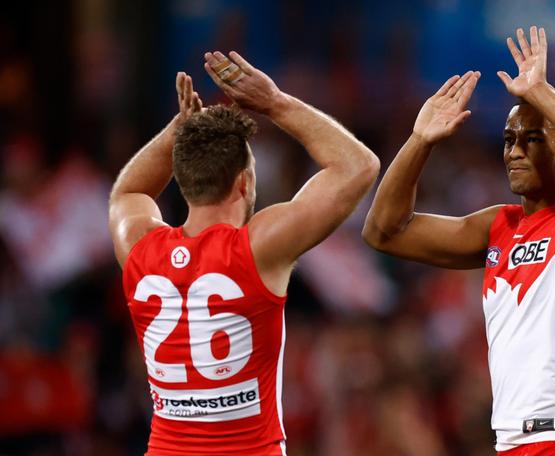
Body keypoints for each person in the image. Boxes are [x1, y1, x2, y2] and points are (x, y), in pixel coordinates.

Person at [363, 26, 555, 455]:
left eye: (532, 139)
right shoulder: (497, 227)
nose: (514, 152)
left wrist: (540, 92)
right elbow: (383, 231)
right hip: (512, 442)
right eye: (508, 140)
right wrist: (420, 142)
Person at [108, 51, 379, 455]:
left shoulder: (140, 249)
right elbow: (358, 166)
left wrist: (177, 132)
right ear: (244, 183)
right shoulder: (258, 248)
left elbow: (128, 192)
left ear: (182, 181)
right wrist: (274, 102)